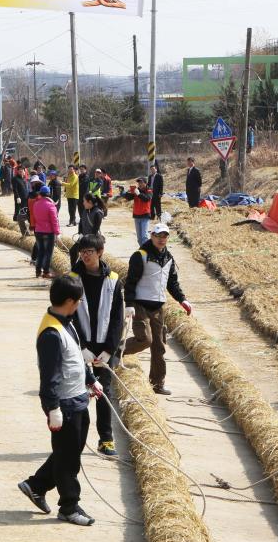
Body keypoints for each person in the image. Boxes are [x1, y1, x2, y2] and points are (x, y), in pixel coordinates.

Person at [18, 275, 103, 527]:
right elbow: (50, 376)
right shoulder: (51, 334)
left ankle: (36, 485)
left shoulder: (66, 322)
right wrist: (52, 408)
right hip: (64, 404)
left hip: (78, 398)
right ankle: (69, 505)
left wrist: (90, 378)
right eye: (78, 301)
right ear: (69, 301)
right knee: (69, 460)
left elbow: (76, 355)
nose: (79, 305)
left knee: (69, 451)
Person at [68, 234, 124, 457]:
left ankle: (106, 439)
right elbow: (69, 315)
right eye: (82, 251)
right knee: (75, 392)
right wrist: (81, 347)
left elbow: (117, 318)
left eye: (90, 251)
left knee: (104, 392)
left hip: (104, 348)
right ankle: (74, 439)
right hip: (80, 346)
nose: (85, 255)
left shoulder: (113, 279)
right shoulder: (72, 279)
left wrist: (109, 350)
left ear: (100, 252)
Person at [123, 223, 192, 395]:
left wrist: (182, 299)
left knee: (159, 346)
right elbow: (130, 282)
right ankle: (116, 351)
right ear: (151, 236)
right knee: (145, 339)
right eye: (158, 235)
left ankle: (157, 384)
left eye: (165, 236)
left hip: (157, 307)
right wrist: (129, 305)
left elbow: (172, 283)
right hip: (140, 304)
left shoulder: (168, 258)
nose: (161, 239)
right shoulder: (140, 256)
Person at [69, 193, 105, 268]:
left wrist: (86, 239)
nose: (83, 203)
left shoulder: (98, 213)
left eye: (84, 201)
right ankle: (74, 269)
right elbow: (81, 222)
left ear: (90, 202)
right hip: (83, 237)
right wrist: (80, 233)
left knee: (86, 256)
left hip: (92, 240)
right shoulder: (85, 210)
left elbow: (95, 230)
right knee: (72, 251)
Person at [32, 185, 60, 279]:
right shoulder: (51, 205)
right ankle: (46, 272)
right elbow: (54, 220)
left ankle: (38, 271)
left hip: (38, 231)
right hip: (49, 232)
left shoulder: (36, 204)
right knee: (48, 252)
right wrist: (57, 232)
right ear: (49, 194)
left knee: (41, 251)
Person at [130, 177, 153, 247]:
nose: (139, 184)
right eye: (139, 182)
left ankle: (146, 251)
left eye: (141, 182)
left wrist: (139, 194)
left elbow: (147, 199)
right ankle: (143, 250)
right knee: (139, 238)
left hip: (145, 215)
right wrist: (123, 192)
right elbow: (128, 198)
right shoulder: (136, 190)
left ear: (145, 183)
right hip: (137, 215)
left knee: (144, 236)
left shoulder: (149, 190)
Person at [12, 167, 30, 236]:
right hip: (19, 198)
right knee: (18, 211)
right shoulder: (15, 179)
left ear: (24, 172)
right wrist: (17, 197)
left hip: (25, 198)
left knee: (24, 211)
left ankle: (25, 226)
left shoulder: (24, 179)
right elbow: (15, 189)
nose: (21, 172)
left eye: (22, 171)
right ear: (17, 172)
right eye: (20, 171)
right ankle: (16, 224)